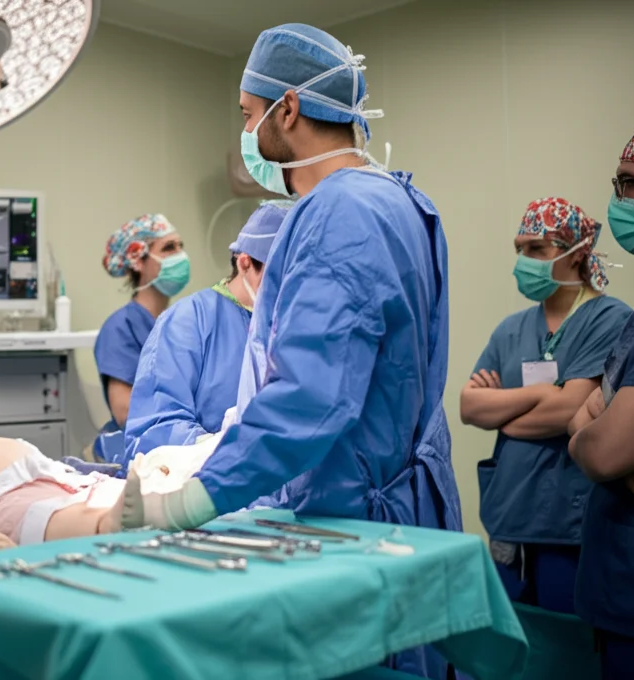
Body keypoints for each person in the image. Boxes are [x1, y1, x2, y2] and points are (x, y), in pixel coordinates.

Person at [119, 25, 460, 677]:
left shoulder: (337, 214)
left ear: (289, 109)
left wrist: (192, 500)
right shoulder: (407, 202)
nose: (247, 135)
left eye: (248, 116)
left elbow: (311, 398)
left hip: (348, 523)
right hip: (398, 514)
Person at [460, 197, 631, 615]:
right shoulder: (511, 329)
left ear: (577, 253)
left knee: (566, 646)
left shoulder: (609, 319)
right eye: (520, 249)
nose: (524, 260)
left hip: (567, 526)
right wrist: (542, 395)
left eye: (537, 248)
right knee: (515, 643)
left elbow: (572, 409)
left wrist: (504, 408)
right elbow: (469, 406)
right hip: (508, 519)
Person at [568, 106, 634, 679]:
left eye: (633, 183)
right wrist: (619, 438)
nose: (620, 200)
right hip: (624, 595)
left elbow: (601, 444)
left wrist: (606, 438)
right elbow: (582, 418)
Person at [0, 388, 221, 555]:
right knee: (50, 515)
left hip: (57, 477)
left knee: (143, 483)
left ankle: (174, 501)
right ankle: (106, 525)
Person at [123, 202, 288, 464]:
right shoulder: (189, 321)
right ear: (245, 263)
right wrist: (220, 449)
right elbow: (155, 427)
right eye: (278, 277)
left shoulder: (296, 324)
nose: (287, 290)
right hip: (207, 480)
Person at [92, 214, 188, 463]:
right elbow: (125, 412)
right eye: (168, 248)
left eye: (180, 246)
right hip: (141, 450)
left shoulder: (180, 322)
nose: (179, 255)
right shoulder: (120, 327)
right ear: (138, 260)